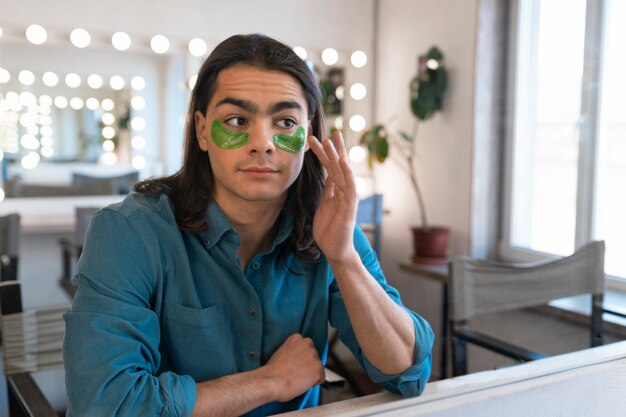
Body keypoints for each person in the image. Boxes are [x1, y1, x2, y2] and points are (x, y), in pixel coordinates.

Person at [63, 33, 434, 417]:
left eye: (286, 122)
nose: (263, 143)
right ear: (203, 131)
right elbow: (104, 406)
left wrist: (344, 258)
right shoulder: (128, 232)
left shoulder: (329, 228)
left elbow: (406, 373)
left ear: (308, 137)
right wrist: (270, 381)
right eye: (237, 120)